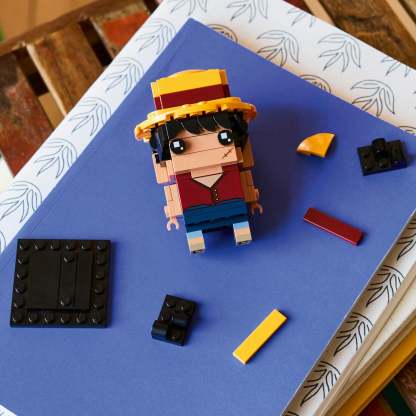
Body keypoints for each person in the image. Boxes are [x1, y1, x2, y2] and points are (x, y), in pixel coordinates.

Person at [135, 69, 262, 253]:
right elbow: (171, 189)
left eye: (224, 138)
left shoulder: (236, 164)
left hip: (234, 206)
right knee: (195, 226)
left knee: (238, 218)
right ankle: (196, 239)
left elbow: (245, 177)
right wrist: (172, 213)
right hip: (194, 212)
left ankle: (240, 231)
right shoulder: (175, 173)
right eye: (179, 146)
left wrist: (252, 199)